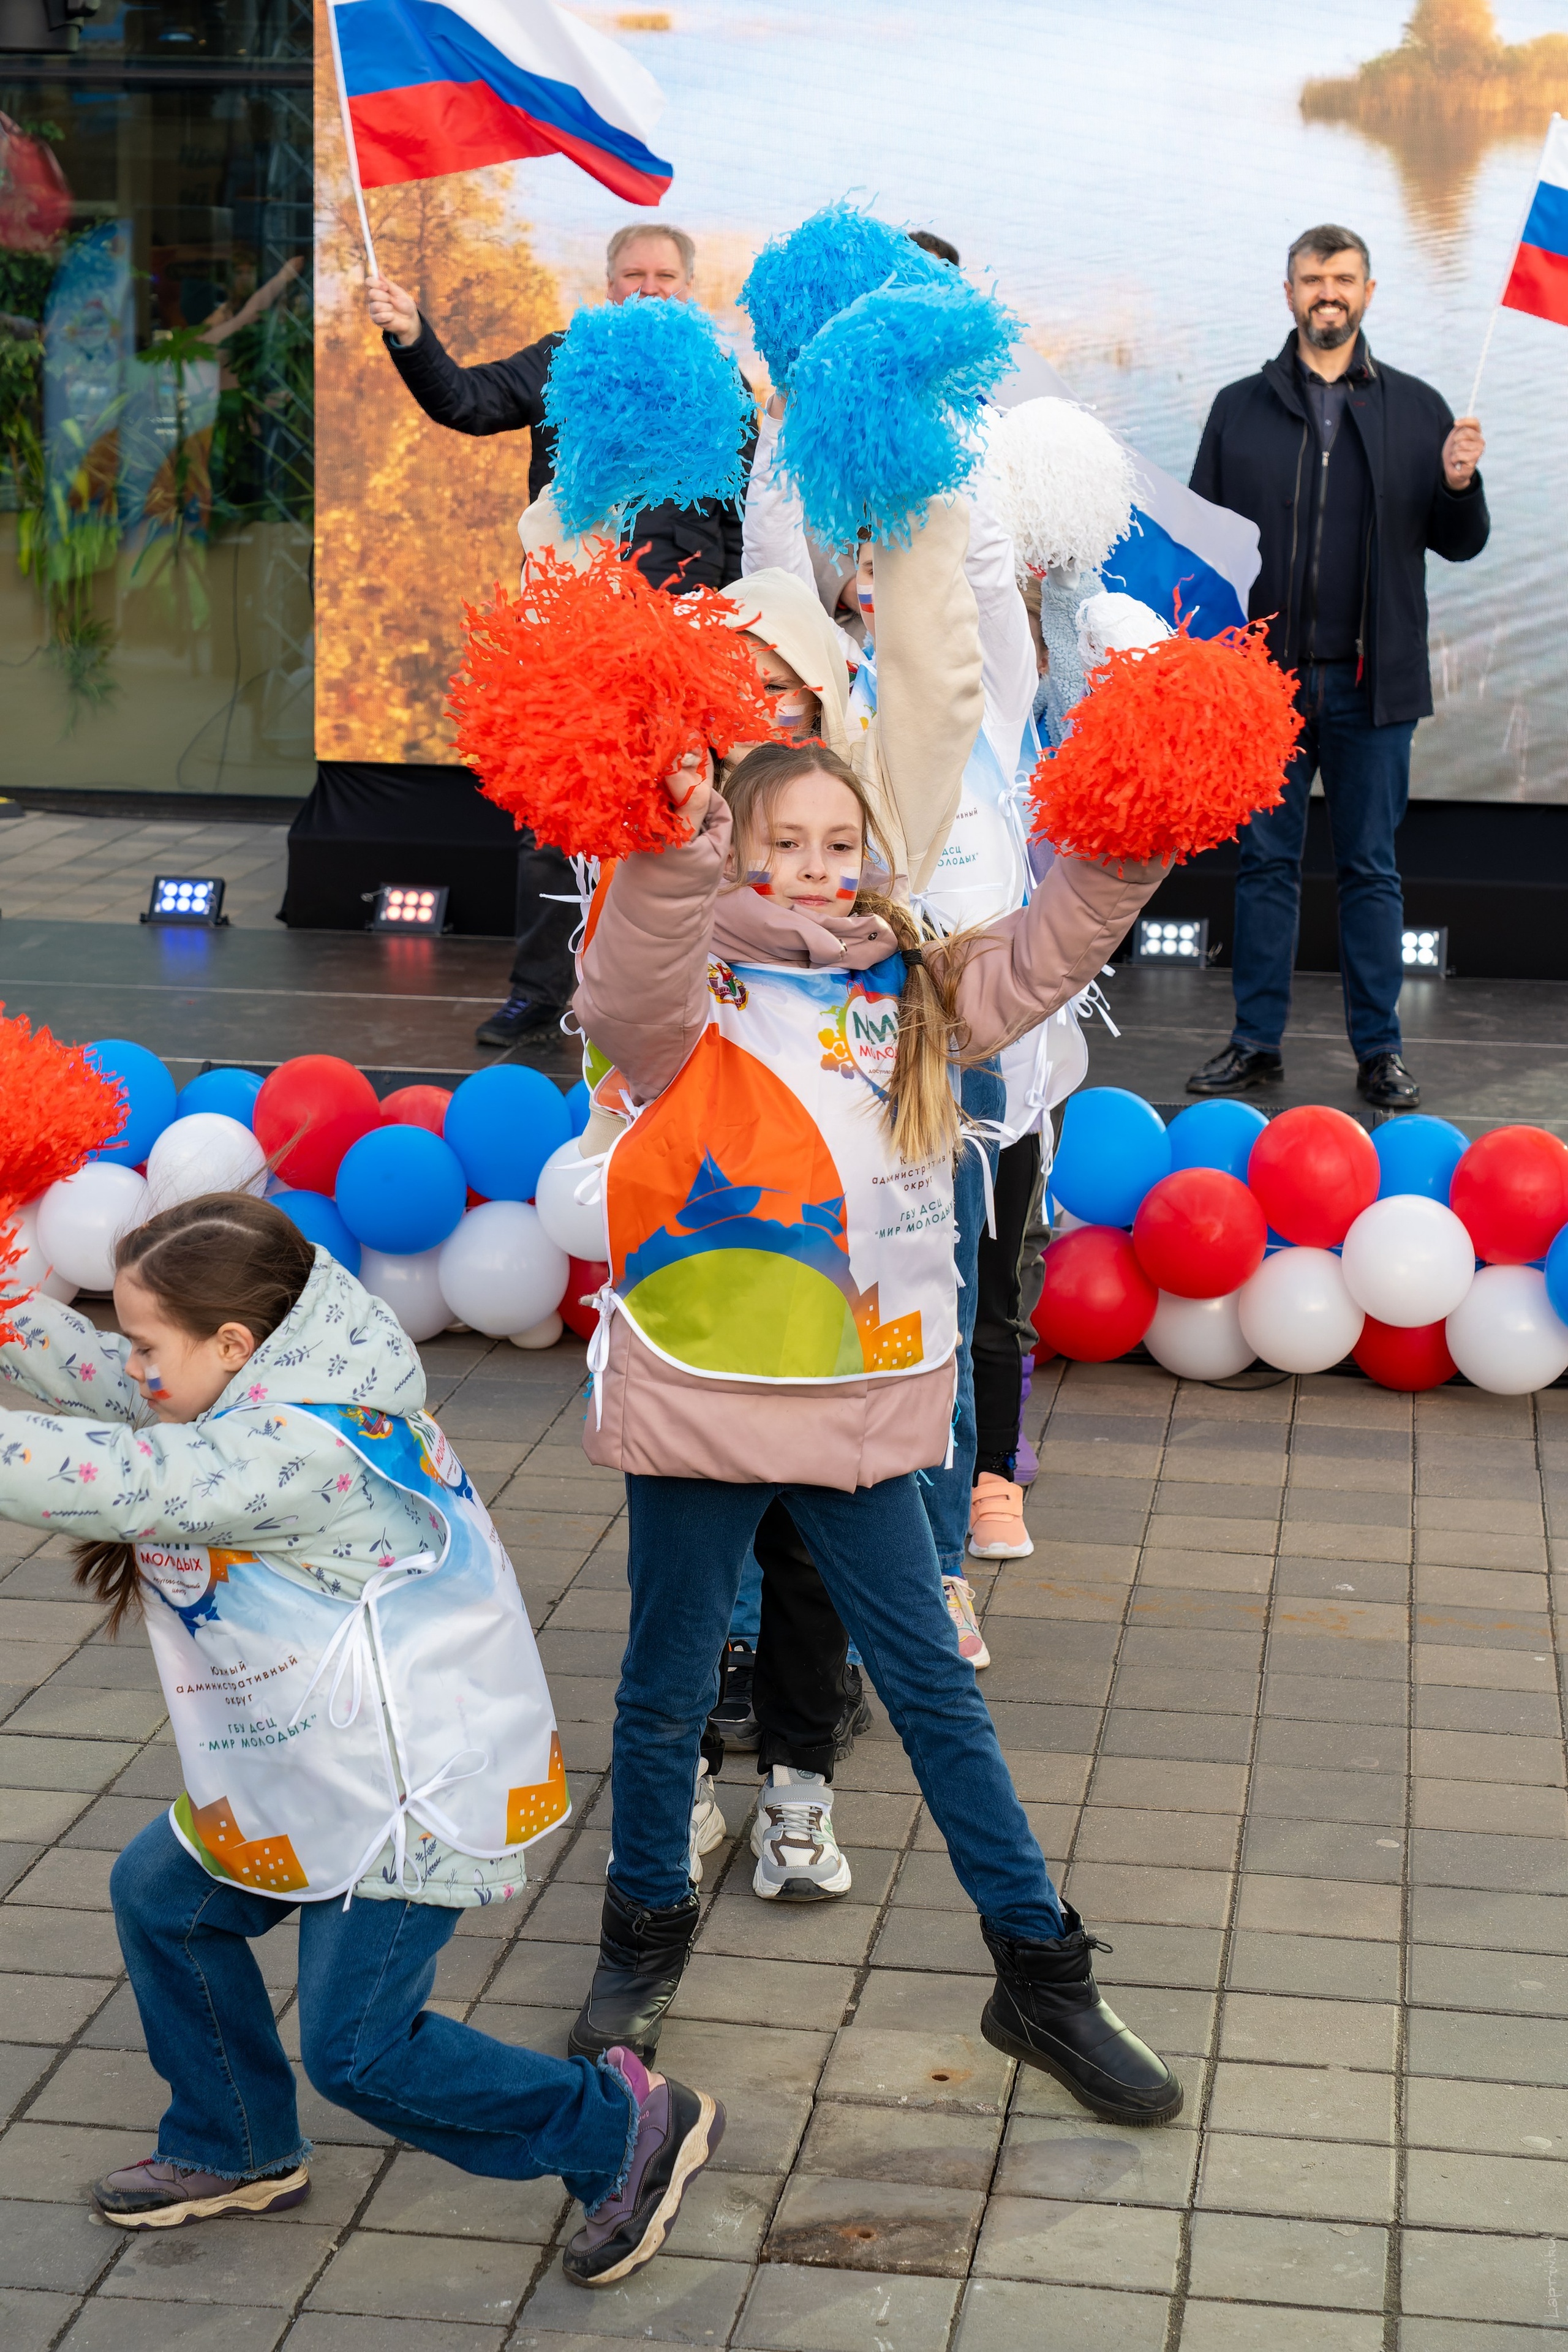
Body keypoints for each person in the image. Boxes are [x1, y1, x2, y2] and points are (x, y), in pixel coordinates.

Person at [565, 736, 1185, 2128]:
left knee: (933, 1688)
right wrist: (667, 853)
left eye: (837, 843)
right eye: (779, 841)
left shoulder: (907, 982)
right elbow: (619, 990)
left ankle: (1039, 1971)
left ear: (872, 853)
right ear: (733, 849)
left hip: (861, 1409)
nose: (810, 869)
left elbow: (1039, 954)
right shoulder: (684, 983)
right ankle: (639, 1943)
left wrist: (1135, 832)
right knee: (663, 1696)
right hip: (704, 1399)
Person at [0, 1195, 722, 2286]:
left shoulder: (304, 1447)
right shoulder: (256, 1384)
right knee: (163, 1899)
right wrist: (11, 1307)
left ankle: (618, 2129)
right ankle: (235, 2142)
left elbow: (136, 1481)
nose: (131, 1364)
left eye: (146, 1341)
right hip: (302, 1770)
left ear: (233, 1344)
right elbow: (109, 1383)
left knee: (360, 2051)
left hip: (401, 1791)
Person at [368, 224, 747, 1050]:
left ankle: (683, 991)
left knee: (680, 816)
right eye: (633, 274)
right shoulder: (563, 357)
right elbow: (464, 401)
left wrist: (726, 626)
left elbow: (730, 516)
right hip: (568, 631)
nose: (649, 288)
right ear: (608, 283)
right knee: (555, 827)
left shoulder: (719, 382)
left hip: (673, 637)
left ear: (688, 286)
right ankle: (539, 992)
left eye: (665, 275)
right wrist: (411, 334)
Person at [1186, 223, 1489, 1112]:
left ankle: (1381, 1053)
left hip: (1371, 685)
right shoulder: (1238, 408)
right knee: (1265, 866)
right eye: (1313, 278)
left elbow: (1460, 545)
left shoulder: (1423, 408)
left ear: (1368, 292)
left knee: (1371, 869)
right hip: (1264, 684)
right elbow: (1202, 548)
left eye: (1344, 278)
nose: (1329, 292)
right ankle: (1254, 1045)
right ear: (1289, 293)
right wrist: (1211, 668)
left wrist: (1460, 486)